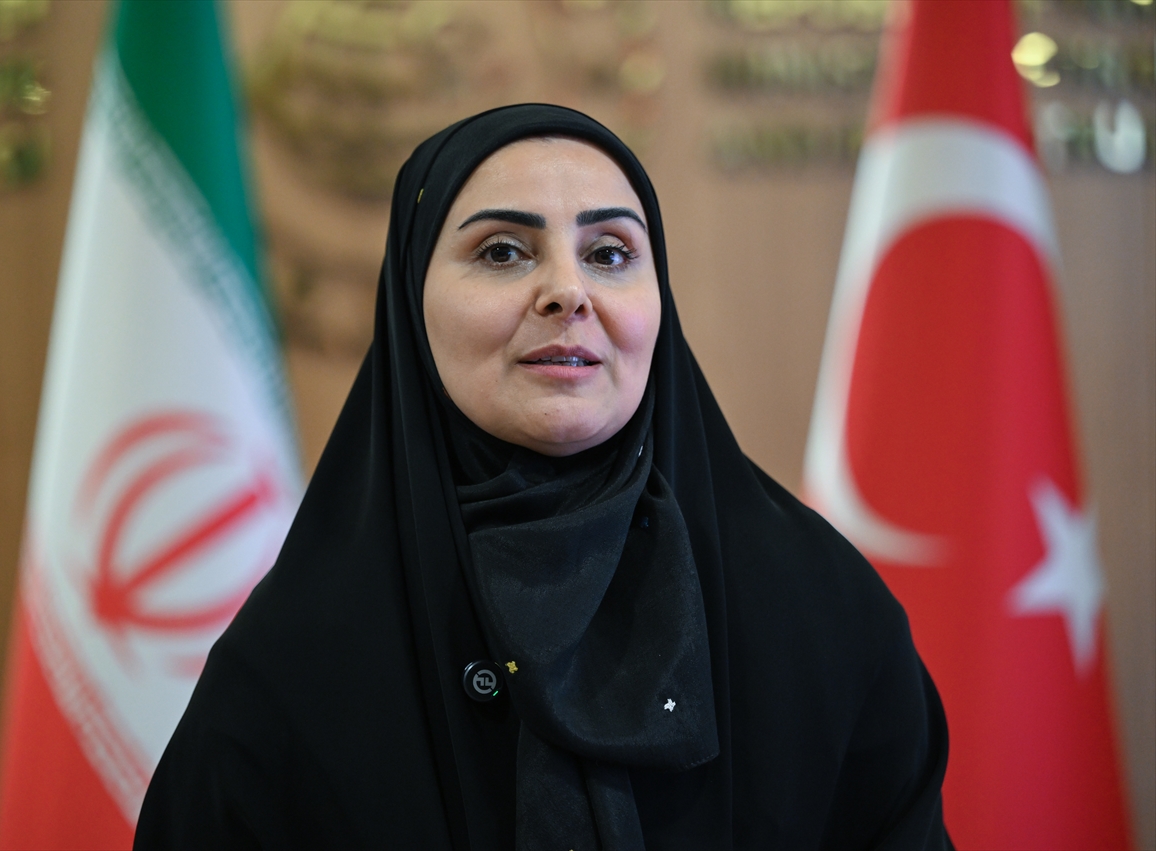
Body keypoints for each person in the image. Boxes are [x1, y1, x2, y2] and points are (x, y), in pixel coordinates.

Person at [134, 104, 951, 850]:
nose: (568, 291)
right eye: (502, 251)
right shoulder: (292, 662)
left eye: (609, 253)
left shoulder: (820, 608)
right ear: (411, 298)